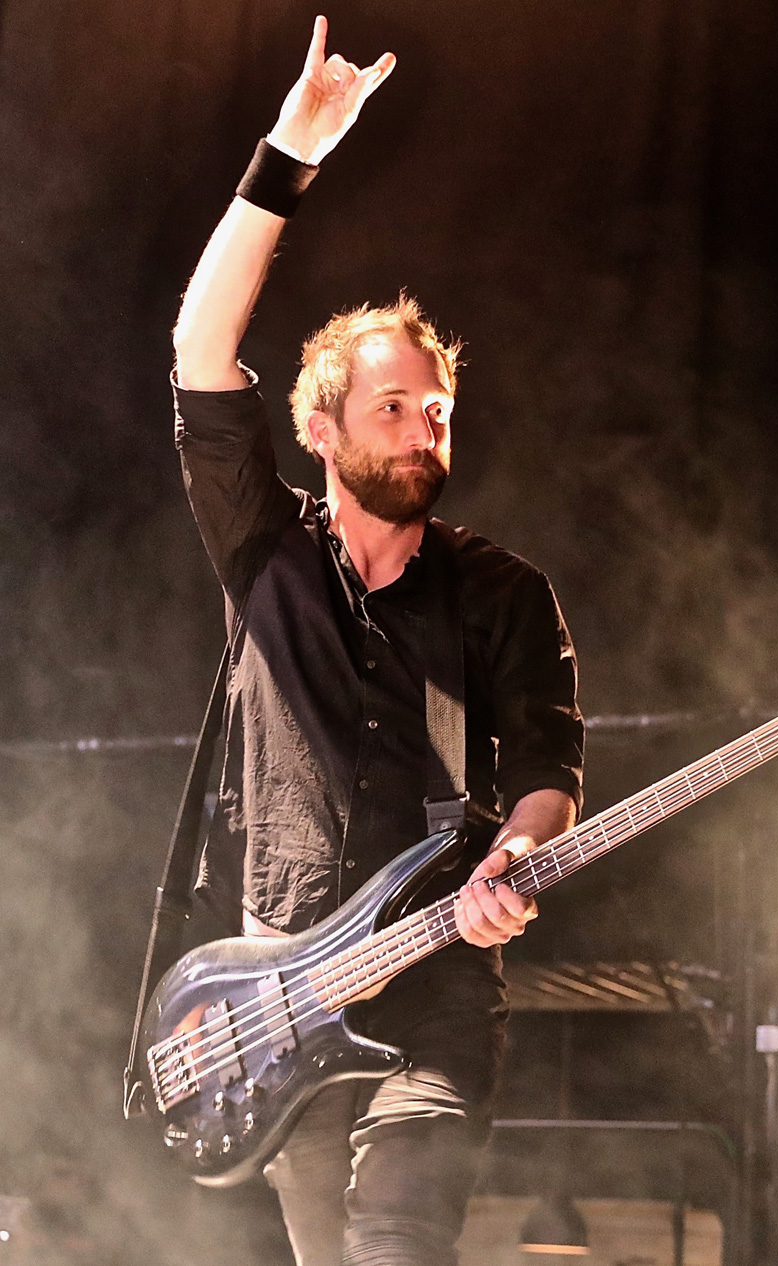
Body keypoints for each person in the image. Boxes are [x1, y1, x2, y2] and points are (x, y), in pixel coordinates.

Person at [170, 15, 585, 1266]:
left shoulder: (503, 594)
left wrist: (515, 856)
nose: (420, 428)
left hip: (440, 990)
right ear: (323, 430)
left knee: (399, 1237)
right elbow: (198, 348)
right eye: (392, 406)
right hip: (286, 994)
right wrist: (289, 153)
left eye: (436, 410)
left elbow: (549, 773)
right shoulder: (266, 553)